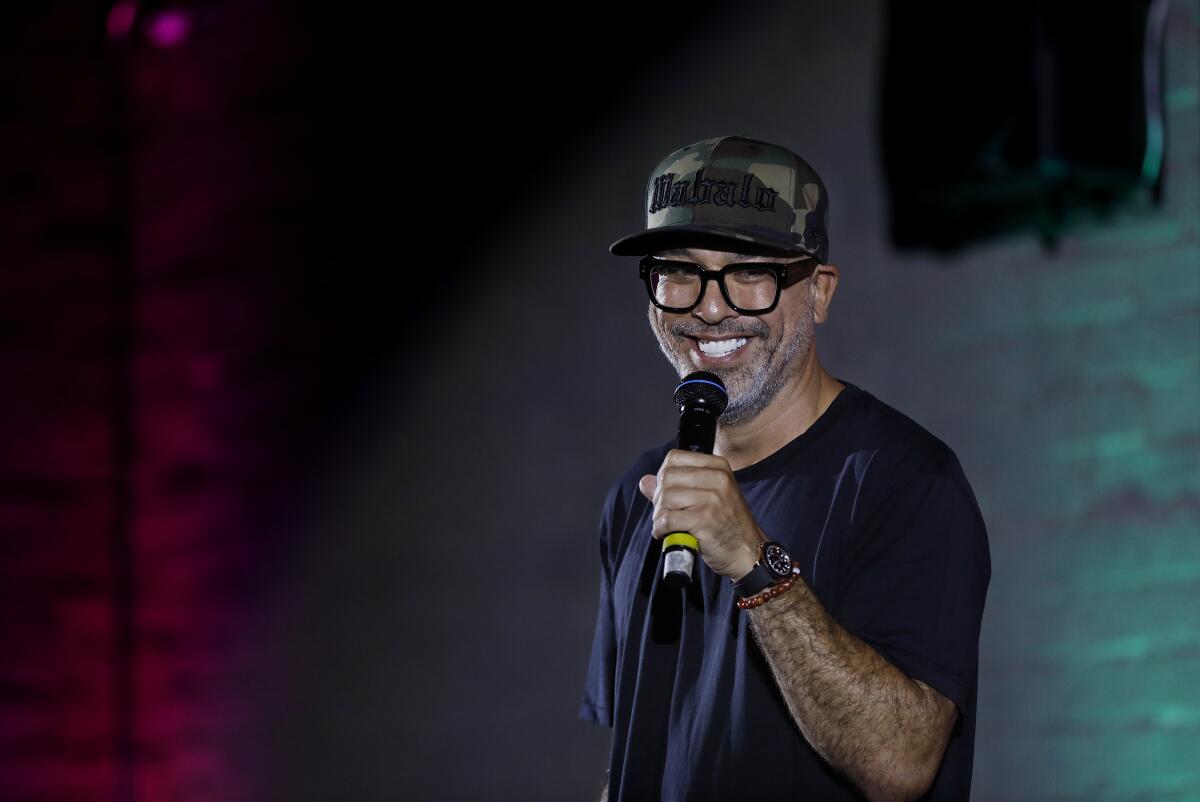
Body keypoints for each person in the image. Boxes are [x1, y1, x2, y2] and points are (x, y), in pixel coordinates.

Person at [578, 135, 991, 802]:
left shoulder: (903, 480)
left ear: (819, 291)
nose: (710, 308)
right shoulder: (641, 494)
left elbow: (901, 764)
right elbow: (635, 756)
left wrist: (754, 560)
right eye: (678, 271)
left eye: (750, 272)